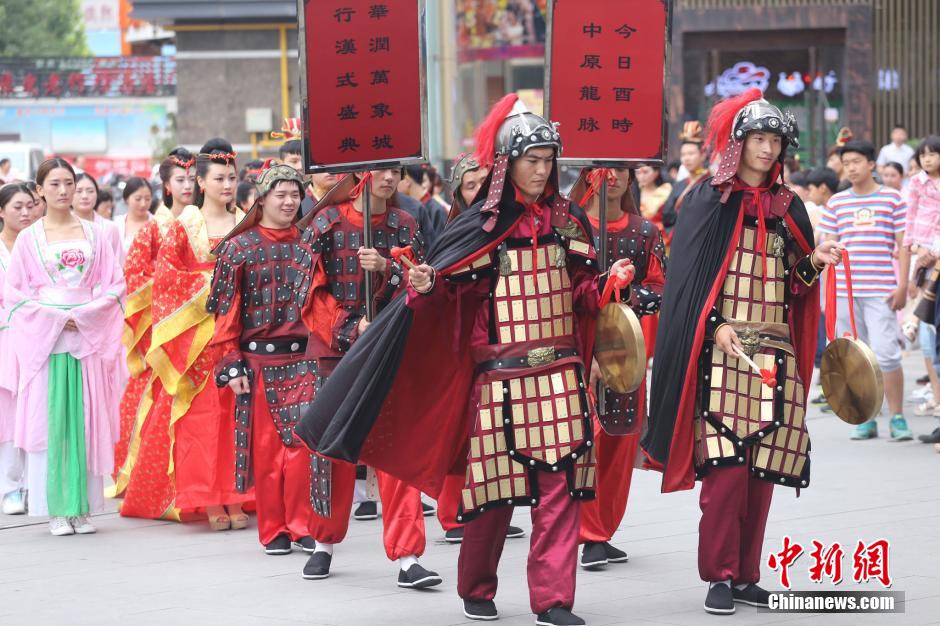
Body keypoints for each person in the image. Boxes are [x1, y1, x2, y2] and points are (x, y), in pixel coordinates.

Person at [295, 93, 634, 626]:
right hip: (501, 379)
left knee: (561, 490)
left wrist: (609, 285)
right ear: (507, 163)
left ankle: (553, 600)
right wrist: (428, 284)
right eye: (531, 160)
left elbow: (582, 292)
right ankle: (477, 587)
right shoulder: (483, 224)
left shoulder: (569, 220)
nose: (541, 170)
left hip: (562, 375)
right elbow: (453, 292)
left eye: (548, 160)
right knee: (494, 494)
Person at [642, 89, 843, 614]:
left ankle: (747, 575)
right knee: (726, 472)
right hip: (723, 355)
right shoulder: (708, 199)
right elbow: (689, 285)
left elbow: (794, 285)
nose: (767, 148)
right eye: (758, 138)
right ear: (739, 142)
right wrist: (715, 327)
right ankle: (719, 575)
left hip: (775, 356)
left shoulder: (789, 206)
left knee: (763, 472)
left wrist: (814, 261)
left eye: (775, 140)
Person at [293, 168, 441, 588]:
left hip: (389, 348)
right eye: (382, 169)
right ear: (361, 173)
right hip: (334, 352)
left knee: (396, 449)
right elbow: (308, 292)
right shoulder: (326, 223)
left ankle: (409, 556)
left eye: (396, 170)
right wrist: (350, 326)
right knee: (329, 452)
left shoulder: (406, 223)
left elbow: (423, 283)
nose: (390, 178)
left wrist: (394, 271)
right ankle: (323, 544)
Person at [1, 159, 126, 535]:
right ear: (40, 190)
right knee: (49, 419)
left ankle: (81, 509)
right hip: (46, 338)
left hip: (86, 333)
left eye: (68, 183)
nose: (63, 190)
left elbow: (115, 284)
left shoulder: (95, 234)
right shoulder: (28, 239)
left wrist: (86, 314)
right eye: (54, 184)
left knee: (85, 418)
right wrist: (54, 317)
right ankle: (55, 508)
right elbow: (14, 294)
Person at [207, 163, 319, 559]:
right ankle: (274, 530)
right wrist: (231, 363)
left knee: (303, 448)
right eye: (281, 195)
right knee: (269, 452)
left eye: (295, 195)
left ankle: (302, 526)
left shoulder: (311, 242)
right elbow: (225, 314)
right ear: (262, 199)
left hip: (304, 359)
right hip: (258, 361)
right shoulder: (238, 248)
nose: (289, 202)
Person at [148, 139, 253, 528]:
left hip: (240, 330)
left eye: (232, 178)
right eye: (219, 178)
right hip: (198, 337)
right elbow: (166, 280)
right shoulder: (184, 226)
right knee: (204, 418)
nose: (227, 185)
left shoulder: (246, 221)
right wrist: (214, 287)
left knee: (238, 413)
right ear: (202, 182)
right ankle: (209, 498)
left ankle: (237, 495)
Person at [570, 167, 665, 571]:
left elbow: (660, 289)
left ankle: (602, 530)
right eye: (603, 169)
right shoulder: (569, 227)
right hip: (578, 349)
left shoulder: (645, 232)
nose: (612, 177)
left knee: (620, 442)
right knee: (586, 442)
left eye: (622, 170)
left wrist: (626, 291)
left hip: (626, 351)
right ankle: (588, 532)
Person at [434, 152, 524, 544]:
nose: (479, 191)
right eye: (470, 186)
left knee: (502, 432)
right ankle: (453, 512)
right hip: (464, 347)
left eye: (484, 183)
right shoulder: (457, 232)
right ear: (459, 194)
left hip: (506, 343)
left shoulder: (514, 223)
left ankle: (491, 506)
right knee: (463, 431)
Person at [110, 147, 197, 519]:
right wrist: (177, 297)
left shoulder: (206, 223)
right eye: (180, 180)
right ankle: (154, 483)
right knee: (156, 400)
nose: (188, 186)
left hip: (201, 327)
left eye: (192, 179)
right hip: (161, 328)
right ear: (167, 185)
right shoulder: (153, 228)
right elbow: (135, 276)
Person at [818, 139, 910, 440]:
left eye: (856, 161)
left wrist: (902, 285)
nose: (851, 168)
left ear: (871, 164)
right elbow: (828, 250)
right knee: (855, 358)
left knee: (887, 354)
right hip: (844, 292)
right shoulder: (836, 203)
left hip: (881, 290)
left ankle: (897, 416)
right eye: (846, 163)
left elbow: (904, 246)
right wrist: (826, 295)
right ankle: (866, 417)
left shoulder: (893, 199)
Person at [0, 183, 44, 515]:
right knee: (7, 413)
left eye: (30, 206)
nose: (26, 213)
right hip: (5, 337)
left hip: (39, 335)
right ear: (2, 211)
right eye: (17, 207)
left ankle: (33, 483)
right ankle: (10, 486)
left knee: (36, 408)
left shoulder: (40, 245)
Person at [905, 136, 940, 444]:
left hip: (936, 257)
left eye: (933, 154)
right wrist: (916, 248)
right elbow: (911, 216)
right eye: (923, 155)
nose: (927, 159)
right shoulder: (917, 183)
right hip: (924, 260)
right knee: (930, 343)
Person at [662, 121, 709, 232]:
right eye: (683, 154)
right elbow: (667, 216)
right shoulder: (679, 185)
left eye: (691, 154)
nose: (686, 158)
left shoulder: (710, 184)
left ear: (703, 155)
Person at [73, 172, 123, 259]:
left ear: (97, 194)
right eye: (79, 191)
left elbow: (118, 262)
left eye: (90, 191)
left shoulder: (110, 228)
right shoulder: (60, 227)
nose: (85, 196)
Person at [113, 177, 153, 253]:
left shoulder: (158, 224)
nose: (143, 204)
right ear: (127, 199)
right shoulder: (116, 223)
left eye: (147, 199)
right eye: (138, 199)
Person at [635, 165, 672, 239]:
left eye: (645, 172)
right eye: (638, 173)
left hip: (660, 236)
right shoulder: (633, 192)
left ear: (656, 172)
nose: (641, 176)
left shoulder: (665, 192)